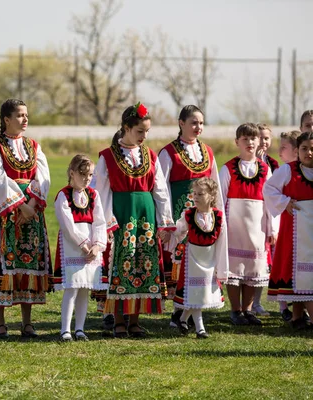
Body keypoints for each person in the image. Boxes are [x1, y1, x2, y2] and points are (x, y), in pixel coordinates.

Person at [93, 102, 174, 338]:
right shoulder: (107, 157)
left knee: (143, 263)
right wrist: (106, 223)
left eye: (147, 132)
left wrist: (165, 222)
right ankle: (118, 319)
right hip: (121, 215)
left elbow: (160, 190)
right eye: (140, 131)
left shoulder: (150, 155)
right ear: (126, 128)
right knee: (122, 261)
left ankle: (135, 319)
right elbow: (101, 193)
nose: (144, 136)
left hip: (145, 216)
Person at [0, 99, 52, 339]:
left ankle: (27, 322)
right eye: (20, 115)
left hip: (32, 210)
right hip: (5, 211)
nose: (25, 119)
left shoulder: (34, 146)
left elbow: (43, 177)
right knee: (4, 264)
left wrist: (31, 205)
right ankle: (0, 322)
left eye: (26, 114)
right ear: (6, 119)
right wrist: (20, 206)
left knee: (28, 263)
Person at [159, 105, 225, 328]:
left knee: (201, 262)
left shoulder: (208, 152)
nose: (198, 127)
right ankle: (180, 311)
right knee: (180, 264)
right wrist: (166, 220)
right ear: (181, 123)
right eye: (194, 122)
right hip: (180, 217)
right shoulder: (168, 152)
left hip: (203, 220)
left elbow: (214, 185)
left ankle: (188, 312)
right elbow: (161, 187)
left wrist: (218, 215)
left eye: (201, 123)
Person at [219, 123, 277, 326]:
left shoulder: (265, 169)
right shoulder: (227, 168)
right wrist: (221, 227)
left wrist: (272, 229)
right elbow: (219, 199)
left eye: (253, 138)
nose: (250, 142)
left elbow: (270, 201)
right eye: (245, 139)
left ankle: (248, 310)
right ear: (237, 142)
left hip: (257, 226)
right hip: (234, 226)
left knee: (254, 267)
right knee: (235, 270)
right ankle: (235, 310)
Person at [54, 154, 107, 342]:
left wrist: (97, 246)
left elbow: (100, 221)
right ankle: (65, 329)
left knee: (85, 287)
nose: (87, 179)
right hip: (72, 246)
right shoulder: (64, 195)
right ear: (72, 173)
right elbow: (67, 224)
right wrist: (83, 244)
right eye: (83, 174)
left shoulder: (93, 195)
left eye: (90, 175)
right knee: (72, 287)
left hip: (91, 247)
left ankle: (80, 329)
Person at [264, 132, 313, 330]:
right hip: (294, 232)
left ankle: (298, 317)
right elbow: (268, 189)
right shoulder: (288, 170)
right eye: (304, 149)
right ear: (297, 151)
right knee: (295, 272)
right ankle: (297, 318)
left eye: (312, 149)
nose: (309, 152)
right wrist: (285, 203)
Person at [171, 178, 228, 339]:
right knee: (196, 292)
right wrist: (170, 232)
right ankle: (200, 329)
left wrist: (221, 268)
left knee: (200, 293)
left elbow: (223, 243)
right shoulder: (189, 214)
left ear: (211, 195)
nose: (195, 197)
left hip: (209, 259)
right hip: (193, 259)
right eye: (194, 193)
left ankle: (182, 319)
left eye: (200, 194)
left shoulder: (218, 217)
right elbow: (179, 230)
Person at [250, 123, 279, 316]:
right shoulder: (247, 162)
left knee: (264, 263)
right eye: (260, 137)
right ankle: (247, 304)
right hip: (251, 214)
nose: (264, 142)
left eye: (267, 138)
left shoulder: (274, 164)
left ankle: (257, 302)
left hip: (267, 215)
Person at [275, 130, 300, 322]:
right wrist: (285, 202)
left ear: (296, 150)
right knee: (286, 258)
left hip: (306, 227)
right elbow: (269, 190)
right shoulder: (284, 170)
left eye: (284, 147)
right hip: (289, 225)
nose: (279, 151)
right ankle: (284, 306)